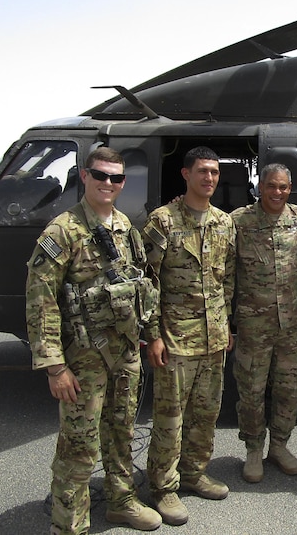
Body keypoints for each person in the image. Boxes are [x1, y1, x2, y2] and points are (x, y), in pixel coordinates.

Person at [25, 147, 162, 534]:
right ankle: (69, 525)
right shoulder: (61, 231)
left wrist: (149, 336)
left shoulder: (125, 229)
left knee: (122, 431)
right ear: (84, 176)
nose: (108, 183)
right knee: (79, 445)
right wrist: (54, 366)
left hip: (124, 353)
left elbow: (143, 287)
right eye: (100, 175)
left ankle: (121, 501)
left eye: (116, 178)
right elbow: (41, 301)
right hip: (83, 357)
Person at [143, 146, 236, 526]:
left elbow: (226, 278)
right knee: (170, 416)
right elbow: (147, 282)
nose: (209, 178)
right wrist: (153, 335)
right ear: (186, 174)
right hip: (176, 337)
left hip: (213, 338)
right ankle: (163, 487)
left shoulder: (223, 222)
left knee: (206, 412)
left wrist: (226, 323)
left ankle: (195, 472)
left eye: (214, 172)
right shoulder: (162, 221)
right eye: (202, 171)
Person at [230, 163, 297, 483]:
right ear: (260, 187)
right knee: (251, 390)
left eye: (283, 187)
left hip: (291, 325)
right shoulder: (238, 221)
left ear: (289, 188)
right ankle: (253, 450)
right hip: (253, 326)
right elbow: (224, 271)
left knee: (289, 389)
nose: (277, 192)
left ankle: (279, 446)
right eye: (271, 186)